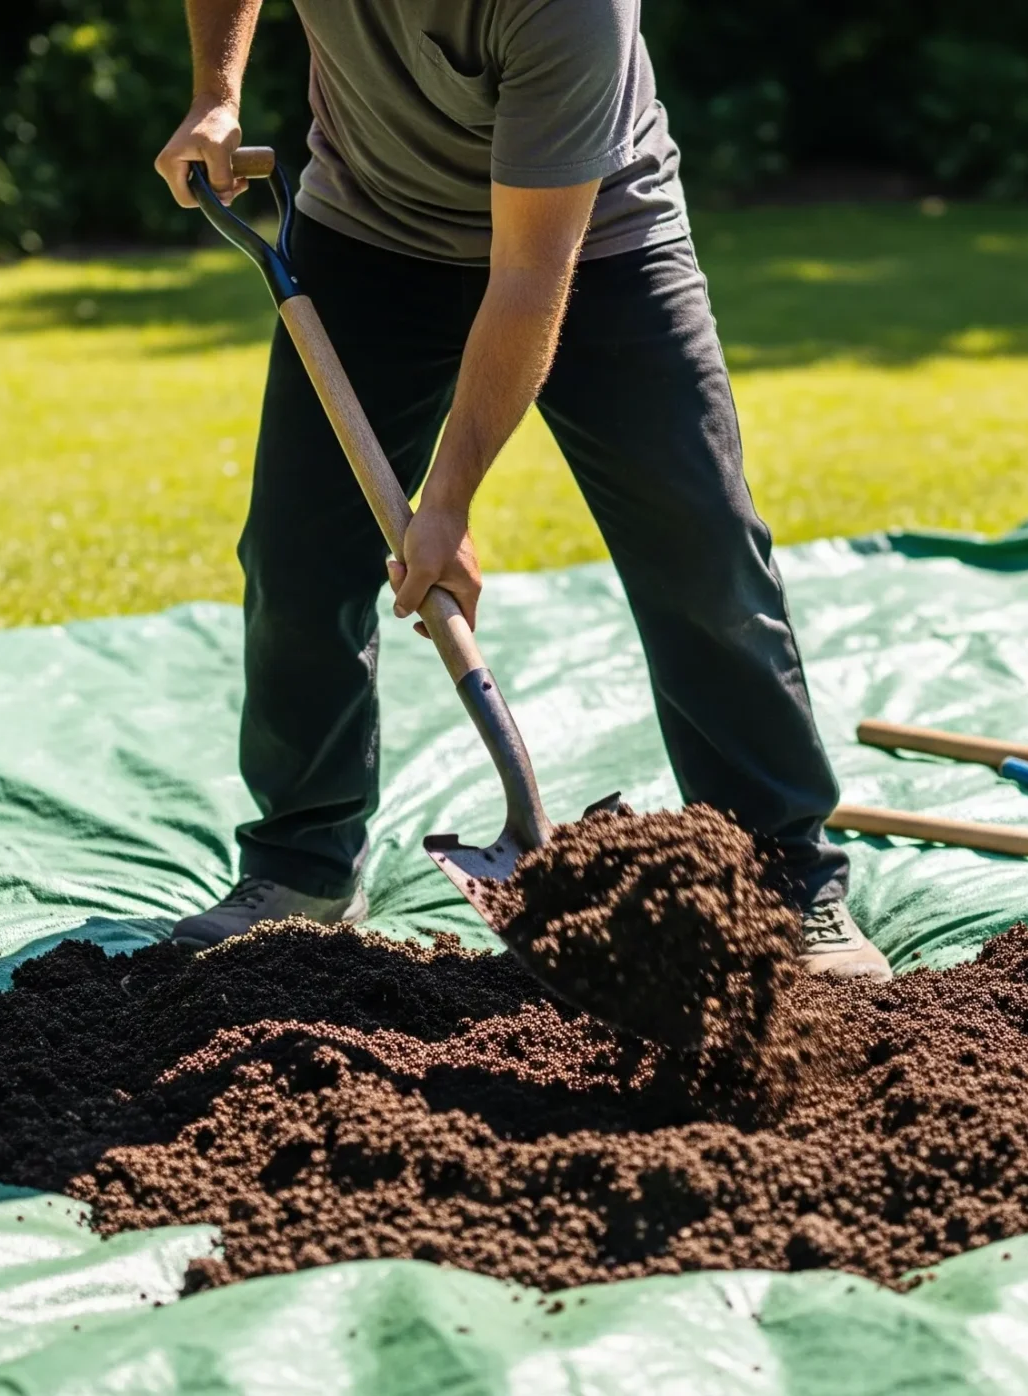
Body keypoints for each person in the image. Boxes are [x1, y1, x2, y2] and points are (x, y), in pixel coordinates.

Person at [153, 0, 887, 979]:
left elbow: (531, 273)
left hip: (598, 242)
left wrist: (447, 504)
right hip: (368, 227)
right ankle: (302, 862)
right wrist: (214, 94)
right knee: (294, 556)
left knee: (700, 550)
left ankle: (786, 874)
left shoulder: (572, 9)